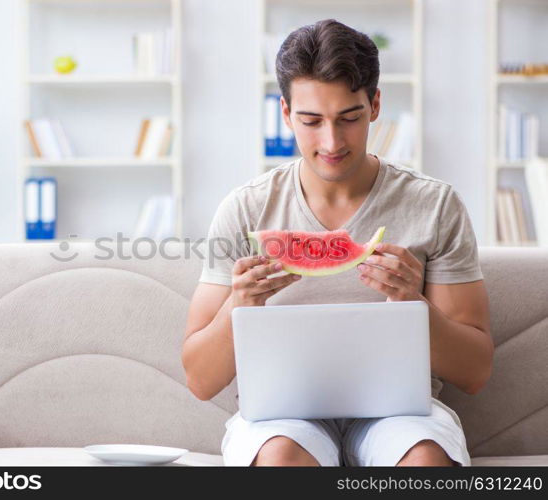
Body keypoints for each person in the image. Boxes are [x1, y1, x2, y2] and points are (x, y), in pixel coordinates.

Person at [181, 19, 493, 467]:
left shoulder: (434, 204)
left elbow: (475, 372)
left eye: (350, 118)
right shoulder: (246, 210)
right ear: (286, 114)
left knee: (424, 460)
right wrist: (238, 305)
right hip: (282, 418)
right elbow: (199, 380)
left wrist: (413, 304)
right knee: (280, 457)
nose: (331, 142)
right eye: (311, 121)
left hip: (402, 414)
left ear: (375, 105)